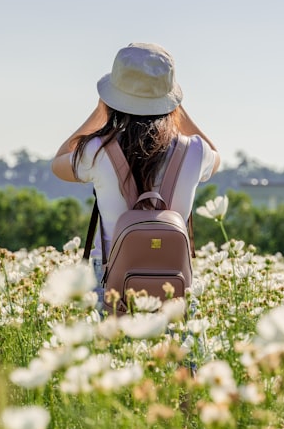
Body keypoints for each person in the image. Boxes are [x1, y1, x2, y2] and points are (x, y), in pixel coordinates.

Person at [52, 42, 221, 290]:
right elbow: (215, 157)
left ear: (111, 99)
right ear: (170, 100)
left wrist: (98, 114)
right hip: (174, 277)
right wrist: (177, 109)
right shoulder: (195, 151)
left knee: (114, 328)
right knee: (172, 330)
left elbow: (59, 164)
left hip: (111, 273)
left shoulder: (97, 150)